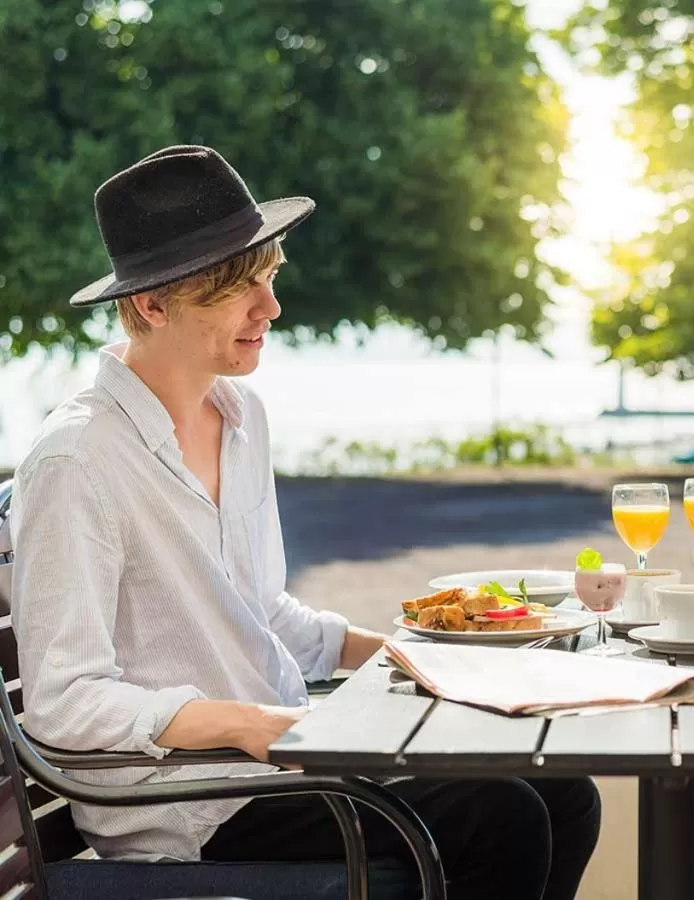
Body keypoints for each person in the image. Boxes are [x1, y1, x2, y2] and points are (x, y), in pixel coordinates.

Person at [9, 145, 600, 899]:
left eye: (269, 278)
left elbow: (263, 614)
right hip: (193, 801)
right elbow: (66, 698)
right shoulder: (77, 461)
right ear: (151, 305)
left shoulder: (240, 416)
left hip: (284, 757)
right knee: (500, 815)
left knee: (564, 791)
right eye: (237, 289)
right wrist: (244, 722)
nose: (271, 309)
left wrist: (416, 654)